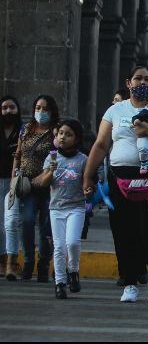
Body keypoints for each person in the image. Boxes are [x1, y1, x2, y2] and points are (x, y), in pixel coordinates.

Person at [84, 66, 148, 305]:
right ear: (128, 83)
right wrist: (88, 176)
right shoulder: (115, 110)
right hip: (121, 181)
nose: (142, 82)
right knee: (124, 232)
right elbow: (101, 145)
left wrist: (146, 129)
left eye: (147, 79)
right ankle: (131, 282)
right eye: (138, 78)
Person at [34, 119, 88, 299]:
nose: (63, 137)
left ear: (77, 139)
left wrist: (90, 188)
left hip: (76, 207)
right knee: (59, 247)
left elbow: (90, 183)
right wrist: (50, 171)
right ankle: (60, 282)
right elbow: (42, 182)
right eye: (61, 133)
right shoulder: (51, 157)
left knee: (72, 242)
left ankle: (73, 271)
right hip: (56, 207)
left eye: (68, 134)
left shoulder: (83, 159)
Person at [13, 95, 59, 282]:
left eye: (45, 108)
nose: (41, 112)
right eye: (38, 107)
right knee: (27, 220)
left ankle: (43, 264)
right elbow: (18, 155)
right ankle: (29, 261)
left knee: (46, 226)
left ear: (52, 111)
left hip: (48, 185)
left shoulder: (55, 132)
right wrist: (13, 179)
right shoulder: (26, 129)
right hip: (27, 184)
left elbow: (58, 157)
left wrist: (45, 175)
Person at [1, 96, 22, 279]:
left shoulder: (23, 131)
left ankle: (11, 262)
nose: (8, 111)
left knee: (11, 222)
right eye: (5, 108)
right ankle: (2, 260)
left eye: (12, 107)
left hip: (14, 181)